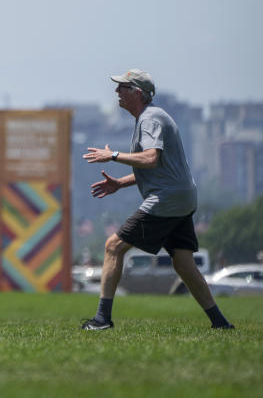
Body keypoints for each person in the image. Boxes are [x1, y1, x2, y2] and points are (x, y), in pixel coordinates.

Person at [81, 69, 233, 330]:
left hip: (167, 199)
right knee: (184, 263)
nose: (117, 92)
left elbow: (150, 158)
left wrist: (114, 155)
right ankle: (220, 323)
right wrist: (120, 182)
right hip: (182, 198)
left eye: (123, 87)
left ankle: (102, 319)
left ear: (138, 93)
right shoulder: (149, 118)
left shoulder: (150, 119)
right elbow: (159, 167)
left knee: (113, 246)